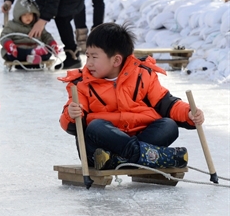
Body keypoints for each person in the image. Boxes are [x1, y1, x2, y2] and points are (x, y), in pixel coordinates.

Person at [59, 22, 204, 170]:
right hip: (102, 146)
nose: (88, 63)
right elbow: (70, 122)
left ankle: (119, 160)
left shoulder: (143, 75)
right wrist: (71, 114)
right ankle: (151, 156)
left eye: (94, 57)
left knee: (169, 125)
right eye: (87, 56)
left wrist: (188, 113)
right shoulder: (81, 83)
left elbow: (166, 103)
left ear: (116, 60)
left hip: (134, 138)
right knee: (95, 127)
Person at [0, 0, 59, 66]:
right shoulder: (12, 25)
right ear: (18, 15)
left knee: (47, 52)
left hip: (35, 47)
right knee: (16, 54)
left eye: (30, 14)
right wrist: (9, 45)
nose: (28, 17)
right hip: (18, 50)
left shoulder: (36, 25)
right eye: (24, 15)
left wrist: (52, 44)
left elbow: (45, 36)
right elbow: (4, 36)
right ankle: (32, 53)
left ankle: (34, 55)